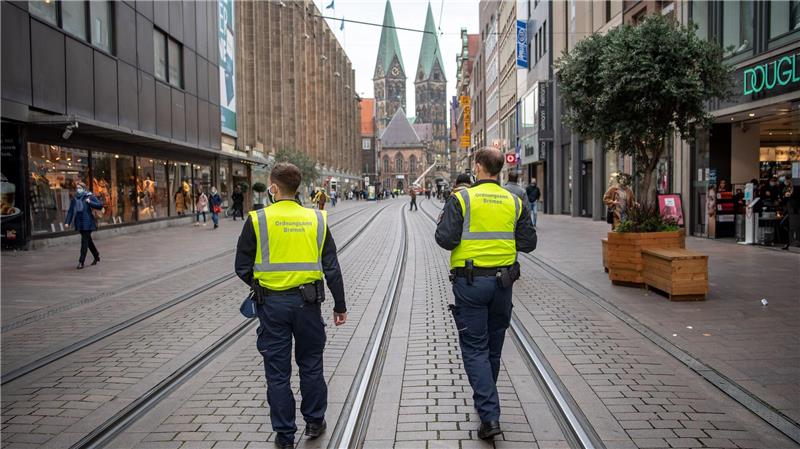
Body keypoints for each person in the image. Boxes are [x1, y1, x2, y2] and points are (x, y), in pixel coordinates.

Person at [235, 163, 347, 449]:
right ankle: (314, 421)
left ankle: (285, 435)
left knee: (277, 372)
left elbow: (241, 266)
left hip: (271, 305)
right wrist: (339, 305)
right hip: (308, 305)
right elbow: (332, 267)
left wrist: (262, 285)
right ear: (297, 188)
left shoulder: (258, 219)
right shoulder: (317, 219)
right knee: (311, 364)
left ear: (273, 188)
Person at [434, 148, 537, 441]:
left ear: (478, 167)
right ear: (500, 169)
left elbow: (445, 239)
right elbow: (529, 243)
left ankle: (489, 416)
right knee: (492, 348)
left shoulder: (462, 198)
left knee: (475, 348)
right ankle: (486, 403)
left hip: (470, 284)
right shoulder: (515, 201)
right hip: (503, 283)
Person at [64, 181, 103, 269]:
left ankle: (81, 261)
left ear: (84, 189)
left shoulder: (90, 196)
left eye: (80, 188)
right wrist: (67, 222)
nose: (78, 190)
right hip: (79, 222)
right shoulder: (75, 199)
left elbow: (100, 205)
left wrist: (90, 202)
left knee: (84, 242)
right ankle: (96, 255)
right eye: (77, 188)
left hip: (88, 223)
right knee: (88, 241)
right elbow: (70, 211)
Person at [782, 179, 800, 250]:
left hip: (794, 213)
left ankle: (792, 242)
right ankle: (788, 242)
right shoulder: (789, 192)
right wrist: (786, 196)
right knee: (785, 225)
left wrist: (790, 196)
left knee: (794, 228)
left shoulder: (795, 198)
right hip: (789, 213)